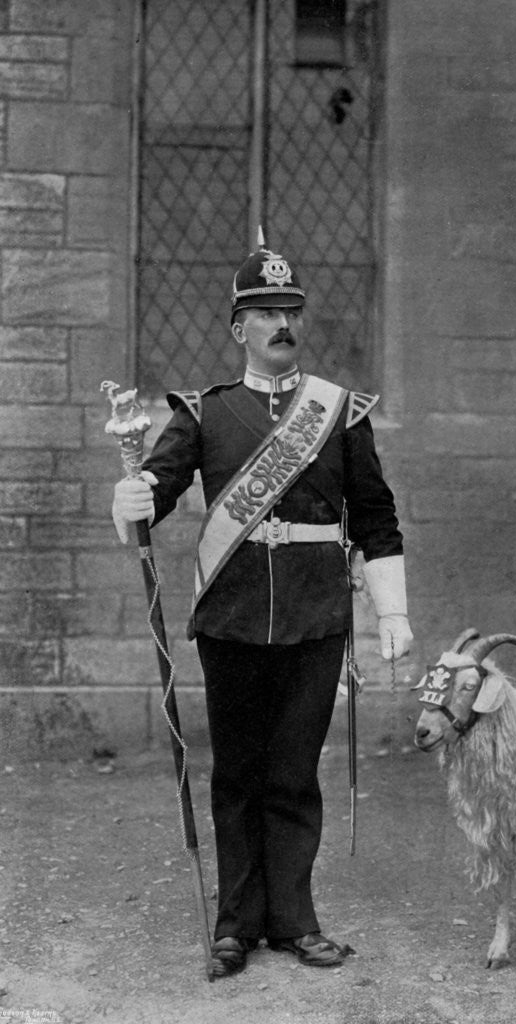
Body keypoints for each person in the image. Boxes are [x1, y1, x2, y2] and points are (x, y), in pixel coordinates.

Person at [111, 235, 413, 977]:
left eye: (290, 310)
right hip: (235, 618)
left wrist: (392, 614)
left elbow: (376, 520)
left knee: (293, 772)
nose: (282, 323)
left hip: (315, 619)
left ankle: (295, 920)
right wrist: (128, 500)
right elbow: (155, 496)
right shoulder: (204, 415)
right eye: (265, 311)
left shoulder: (339, 414)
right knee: (238, 772)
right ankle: (234, 924)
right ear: (237, 327)